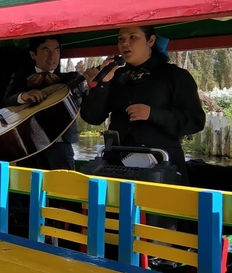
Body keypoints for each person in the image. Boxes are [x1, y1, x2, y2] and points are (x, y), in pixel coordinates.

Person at [81, 26, 206, 185]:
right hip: (116, 164)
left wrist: (152, 114)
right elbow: (92, 117)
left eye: (133, 37)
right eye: (121, 39)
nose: (125, 43)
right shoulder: (114, 76)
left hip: (162, 164)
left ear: (151, 41)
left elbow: (195, 121)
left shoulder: (175, 75)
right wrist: (101, 85)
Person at [2, 35, 92, 171]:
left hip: (60, 146)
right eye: (46, 50)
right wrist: (23, 96)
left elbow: (83, 106)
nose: (52, 56)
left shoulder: (71, 78)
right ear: (33, 54)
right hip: (29, 146)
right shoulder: (21, 77)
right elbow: (5, 102)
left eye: (56, 50)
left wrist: (91, 87)